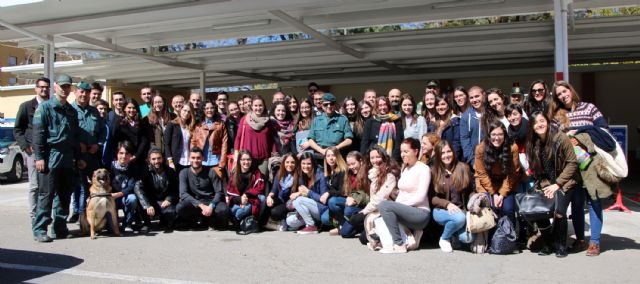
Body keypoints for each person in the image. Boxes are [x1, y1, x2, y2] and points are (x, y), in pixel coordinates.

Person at [548, 80, 609, 256]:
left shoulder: (589, 108)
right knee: (576, 204)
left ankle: (595, 242)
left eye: (564, 91)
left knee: (594, 200)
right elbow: (552, 139)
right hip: (571, 166)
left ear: (570, 90)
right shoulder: (557, 115)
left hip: (591, 163)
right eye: (558, 94)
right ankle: (580, 240)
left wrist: (580, 132)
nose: (562, 96)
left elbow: (603, 129)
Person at [31, 74, 85, 242]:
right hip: (50, 156)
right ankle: (40, 229)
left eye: (67, 86)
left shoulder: (71, 111)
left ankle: (59, 227)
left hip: (67, 157)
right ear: (55, 87)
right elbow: (38, 134)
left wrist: (78, 157)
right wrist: (39, 157)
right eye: (61, 86)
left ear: (71, 89)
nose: (64, 89)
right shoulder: (45, 108)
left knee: (64, 195)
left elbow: (75, 137)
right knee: (46, 194)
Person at [525, 111, 579, 257]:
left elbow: (572, 163)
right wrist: (544, 185)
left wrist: (558, 184)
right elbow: (538, 170)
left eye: (542, 121)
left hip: (565, 181)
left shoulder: (561, 138)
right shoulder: (533, 143)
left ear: (548, 122)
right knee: (538, 211)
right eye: (535, 123)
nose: (539, 124)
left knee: (560, 212)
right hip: (546, 182)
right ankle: (549, 243)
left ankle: (561, 244)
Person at [377, 138, 431, 253]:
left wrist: (398, 206)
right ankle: (406, 239)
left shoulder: (424, 169)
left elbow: (420, 197)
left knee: (384, 206)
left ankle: (399, 244)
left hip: (420, 212)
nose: (402, 154)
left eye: (406, 151)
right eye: (401, 151)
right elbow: (401, 193)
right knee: (378, 219)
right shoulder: (405, 168)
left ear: (416, 151)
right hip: (405, 210)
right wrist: (397, 207)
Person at [69, 81, 106, 224]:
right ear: (75, 92)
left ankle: (87, 215)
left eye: (86, 92)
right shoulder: (70, 110)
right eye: (81, 92)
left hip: (92, 154)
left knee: (91, 187)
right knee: (78, 186)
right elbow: (67, 132)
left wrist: (98, 144)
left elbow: (103, 131)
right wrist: (77, 144)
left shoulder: (94, 111)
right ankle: (79, 215)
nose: (84, 94)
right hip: (76, 155)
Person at [14, 77, 50, 222]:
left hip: (49, 151)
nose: (44, 89)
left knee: (47, 186)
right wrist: (25, 147)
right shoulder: (26, 106)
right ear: (36, 88)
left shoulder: (51, 106)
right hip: (33, 151)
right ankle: (34, 215)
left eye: (47, 87)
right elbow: (17, 129)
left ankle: (46, 214)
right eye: (41, 87)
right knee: (35, 185)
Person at [428, 140, 473, 252]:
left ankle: (453, 233)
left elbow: (470, 191)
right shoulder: (434, 171)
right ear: (438, 155)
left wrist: (475, 199)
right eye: (442, 153)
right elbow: (432, 197)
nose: (446, 155)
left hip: (461, 210)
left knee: (468, 238)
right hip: (441, 210)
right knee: (459, 218)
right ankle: (444, 238)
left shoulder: (463, 168)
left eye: (449, 151)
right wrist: (447, 204)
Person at [474, 121, 520, 224]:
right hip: (487, 183)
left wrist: (502, 194)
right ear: (489, 135)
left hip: (506, 182)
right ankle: (492, 237)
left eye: (500, 134)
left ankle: (510, 235)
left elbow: (513, 173)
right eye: (494, 134)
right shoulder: (481, 148)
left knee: (508, 209)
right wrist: (493, 193)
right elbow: (481, 173)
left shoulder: (512, 147)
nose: (497, 138)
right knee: (492, 208)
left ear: (505, 135)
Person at [358, 146, 400, 250]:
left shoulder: (390, 174)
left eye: (378, 157)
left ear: (384, 157)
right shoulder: (372, 173)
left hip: (387, 210)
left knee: (364, 237)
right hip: (375, 209)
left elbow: (380, 199)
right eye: (372, 158)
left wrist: (363, 212)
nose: (375, 160)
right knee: (361, 235)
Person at [177, 147, 229, 229]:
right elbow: (183, 194)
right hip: (195, 203)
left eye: (198, 158)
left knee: (223, 209)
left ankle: (210, 220)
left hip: (211, 202)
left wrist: (211, 206)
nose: (195, 160)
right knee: (180, 207)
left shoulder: (211, 171)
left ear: (203, 158)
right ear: (189, 158)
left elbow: (219, 192)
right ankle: (193, 220)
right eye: (193, 158)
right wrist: (200, 205)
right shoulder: (184, 173)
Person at [136, 147, 179, 233]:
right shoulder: (145, 171)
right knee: (139, 202)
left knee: (171, 211)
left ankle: (165, 222)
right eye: (153, 159)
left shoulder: (170, 171)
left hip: (164, 201)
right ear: (149, 160)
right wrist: (147, 205)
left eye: (159, 158)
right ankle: (147, 224)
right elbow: (138, 188)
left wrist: (169, 199)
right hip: (152, 202)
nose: (156, 161)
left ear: (162, 158)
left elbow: (176, 189)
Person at [234, 95, 277, 176]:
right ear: (252, 107)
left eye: (260, 105)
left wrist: (274, 155)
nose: (258, 108)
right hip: (248, 159)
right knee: (249, 183)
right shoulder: (244, 119)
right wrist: (236, 154)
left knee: (262, 183)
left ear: (264, 106)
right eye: (256, 105)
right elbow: (238, 138)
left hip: (264, 159)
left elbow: (272, 139)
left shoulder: (268, 121)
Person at [285, 152, 328, 234]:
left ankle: (311, 226)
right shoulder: (302, 175)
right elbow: (302, 193)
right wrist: (299, 193)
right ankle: (314, 223)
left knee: (298, 200)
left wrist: (308, 192)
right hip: (309, 208)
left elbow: (323, 200)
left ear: (313, 164)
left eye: (309, 164)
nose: (306, 166)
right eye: (303, 163)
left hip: (320, 208)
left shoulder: (321, 175)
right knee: (289, 221)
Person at [226, 150, 266, 228]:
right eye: (243, 159)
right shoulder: (234, 174)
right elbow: (230, 193)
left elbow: (260, 188)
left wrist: (246, 195)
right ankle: (240, 221)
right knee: (236, 210)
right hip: (237, 202)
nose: (246, 162)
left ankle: (255, 221)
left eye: (248, 159)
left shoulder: (256, 173)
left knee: (262, 198)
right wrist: (240, 200)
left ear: (251, 161)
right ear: (239, 161)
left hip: (250, 201)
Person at [306, 93, 353, 157]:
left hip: (337, 156)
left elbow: (349, 140)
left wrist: (335, 148)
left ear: (335, 105)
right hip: (320, 157)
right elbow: (310, 140)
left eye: (332, 104)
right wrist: (321, 150)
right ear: (322, 105)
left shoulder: (342, 119)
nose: (329, 106)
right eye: (326, 104)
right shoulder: (316, 120)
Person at [109, 141, 141, 233]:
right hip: (110, 198)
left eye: (127, 154)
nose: (124, 156)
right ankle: (113, 223)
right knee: (111, 229)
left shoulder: (133, 168)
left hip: (124, 197)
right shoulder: (110, 167)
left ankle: (127, 223)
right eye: (121, 153)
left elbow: (131, 186)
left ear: (131, 155)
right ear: (117, 153)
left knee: (132, 198)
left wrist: (119, 194)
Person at [337, 151, 370, 238]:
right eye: (349, 164)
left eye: (353, 163)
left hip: (365, 205)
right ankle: (360, 226)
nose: (351, 167)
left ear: (361, 161)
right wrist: (349, 197)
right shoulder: (349, 174)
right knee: (344, 233)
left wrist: (353, 198)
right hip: (354, 204)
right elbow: (346, 191)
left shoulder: (367, 173)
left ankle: (365, 222)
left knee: (348, 210)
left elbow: (368, 195)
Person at [192, 100, 228, 177]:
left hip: (216, 161)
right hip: (202, 161)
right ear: (203, 110)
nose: (209, 110)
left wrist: (222, 161)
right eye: (207, 108)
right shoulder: (198, 125)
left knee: (217, 186)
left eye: (212, 108)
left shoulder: (221, 124)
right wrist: (194, 159)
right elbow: (193, 142)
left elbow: (224, 144)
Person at [361, 96, 404, 161]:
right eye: (380, 105)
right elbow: (365, 143)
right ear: (377, 107)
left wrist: (393, 160)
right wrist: (365, 159)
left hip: (392, 158)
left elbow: (398, 143)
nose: (383, 107)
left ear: (388, 106)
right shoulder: (370, 122)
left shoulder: (396, 121)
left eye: (385, 105)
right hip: (374, 159)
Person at [114, 98, 151, 167]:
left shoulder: (142, 122)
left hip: (140, 157)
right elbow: (116, 140)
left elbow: (144, 141)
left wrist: (136, 155)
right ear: (124, 109)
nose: (131, 110)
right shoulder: (119, 122)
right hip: (125, 157)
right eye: (129, 108)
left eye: (134, 108)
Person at [320, 147, 348, 234]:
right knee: (324, 218)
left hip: (345, 200)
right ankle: (341, 224)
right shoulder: (328, 172)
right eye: (328, 156)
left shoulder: (343, 170)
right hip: (336, 201)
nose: (331, 158)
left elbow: (343, 191)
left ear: (338, 157)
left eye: (333, 155)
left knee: (332, 201)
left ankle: (344, 225)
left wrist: (328, 193)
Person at [267, 153, 298, 230]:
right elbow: (274, 190)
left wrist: (297, 193)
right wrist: (269, 196)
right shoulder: (279, 173)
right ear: (284, 163)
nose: (289, 165)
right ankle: (264, 223)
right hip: (281, 200)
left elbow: (302, 189)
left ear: (296, 163)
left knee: (275, 212)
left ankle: (284, 220)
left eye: (292, 162)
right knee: (266, 202)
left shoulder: (298, 175)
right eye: (287, 162)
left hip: (291, 203)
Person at [164, 102, 196, 173]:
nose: (186, 113)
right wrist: (170, 161)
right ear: (180, 110)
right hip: (176, 161)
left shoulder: (191, 127)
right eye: (184, 110)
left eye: (189, 112)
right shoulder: (172, 124)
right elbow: (166, 144)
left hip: (188, 161)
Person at [460, 85, 485, 167]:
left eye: (477, 96)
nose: (474, 100)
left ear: (483, 95)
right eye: (471, 98)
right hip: (474, 162)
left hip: (491, 160)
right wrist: (472, 161)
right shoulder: (466, 116)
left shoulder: (491, 114)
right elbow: (464, 140)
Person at [434, 94, 462, 159]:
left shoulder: (455, 121)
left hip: (450, 159)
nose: (440, 107)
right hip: (437, 160)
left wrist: (451, 160)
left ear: (448, 105)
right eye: (437, 105)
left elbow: (457, 144)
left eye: (443, 104)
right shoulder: (434, 124)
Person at [104, 91, 126, 167]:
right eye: (116, 100)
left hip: (125, 152)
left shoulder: (128, 115)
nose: (118, 102)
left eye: (120, 99)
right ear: (113, 102)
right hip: (111, 153)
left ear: (124, 100)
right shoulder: (108, 116)